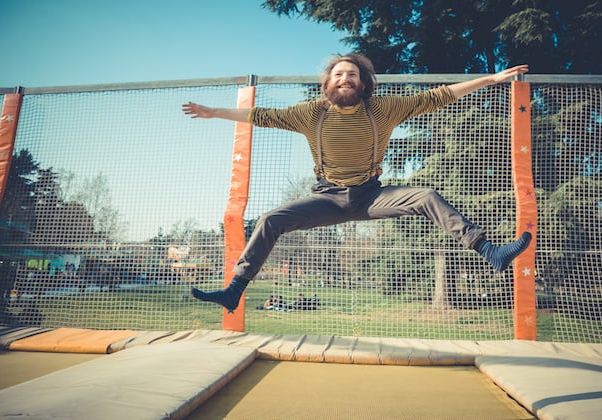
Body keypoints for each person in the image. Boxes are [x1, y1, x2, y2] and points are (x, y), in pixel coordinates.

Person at [182, 53, 532, 313]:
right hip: (327, 198)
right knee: (270, 220)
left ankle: (490, 252)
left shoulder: (384, 109)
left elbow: (437, 96)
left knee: (425, 195)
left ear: (362, 83)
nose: (345, 78)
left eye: (352, 74)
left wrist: (489, 80)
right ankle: (235, 289)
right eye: (338, 74)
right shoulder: (310, 113)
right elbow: (261, 116)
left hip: (371, 195)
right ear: (328, 83)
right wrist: (214, 113)